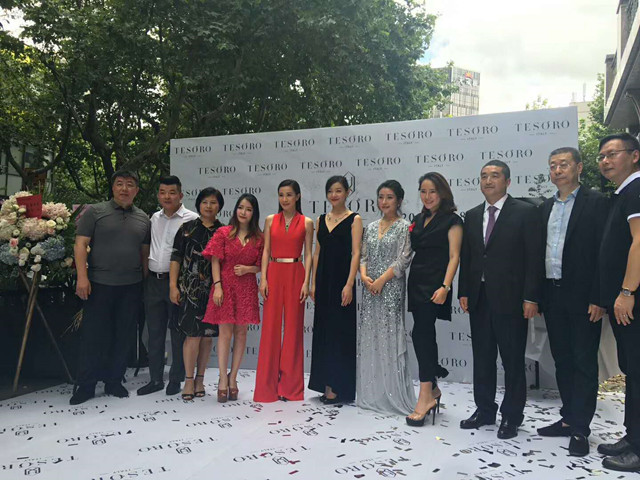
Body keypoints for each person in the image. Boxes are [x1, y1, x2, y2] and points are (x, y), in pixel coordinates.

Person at [458, 160, 542, 439]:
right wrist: (464, 291)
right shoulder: (472, 215)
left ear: (507, 181)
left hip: (512, 300)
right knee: (482, 358)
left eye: (494, 176)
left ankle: (511, 416)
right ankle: (484, 410)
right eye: (484, 176)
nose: (488, 180)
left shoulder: (526, 212)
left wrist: (531, 297)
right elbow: (468, 257)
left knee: (512, 360)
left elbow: (534, 258)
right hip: (479, 298)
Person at [536, 148, 608, 456]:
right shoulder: (545, 208)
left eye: (563, 164)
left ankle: (580, 428)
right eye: (553, 165)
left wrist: (599, 297)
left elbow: (604, 252)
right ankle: (568, 417)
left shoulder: (597, 203)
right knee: (562, 360)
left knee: (583, 362)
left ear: (578, 167)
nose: (557, 170)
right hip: (552, 294)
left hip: (584, 297)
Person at [70, 170, 151, 405]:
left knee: (123, 336)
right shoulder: (95, 212)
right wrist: (82, 278)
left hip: (131, 286)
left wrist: (144, 284)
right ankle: (86, 385)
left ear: (136, 190)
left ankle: (114, 381)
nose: (124, 189)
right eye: (120, 184)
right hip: (99, 285)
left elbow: (144, 253)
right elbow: (80, 244)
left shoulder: (143, 218)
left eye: (130, 184)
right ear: (113, 187)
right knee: (94, 336)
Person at [596, 133, 640, 472]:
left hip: (632, 300)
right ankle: (633, 436)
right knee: (633, 371)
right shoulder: (624, 193)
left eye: (613, 154)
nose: (605, 161)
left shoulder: (636, 190)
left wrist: (627, 291)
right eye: (602, 156)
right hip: (625, 300)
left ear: (635, 156)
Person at [406, 172, 462, 426]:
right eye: (423, 191)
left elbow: (454, 256)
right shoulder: (418, 219)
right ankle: (433, 387)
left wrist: (445, 287)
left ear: (442, 193)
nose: (427, 197)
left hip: (435, 284)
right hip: (416, 281)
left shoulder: (453, 220)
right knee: (422, 334)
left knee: (422, 334)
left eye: (433, 192)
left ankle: (425, 395)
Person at [357, 180, 416, 415]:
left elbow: (403, 259)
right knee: (371, 336)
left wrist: (382, 280)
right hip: (370, 289)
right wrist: (364, 276)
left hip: (391, 288)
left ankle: (393, 392)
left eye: (389, 197)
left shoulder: (405, 227)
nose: (384, 202)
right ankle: (373, 392)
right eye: (381, 197)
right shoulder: (371, 227)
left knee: (390, 336)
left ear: (399, 200)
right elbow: (363, 256)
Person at [137, 176, 199, 397]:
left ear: (180, 195)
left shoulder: (192, 219)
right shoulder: (154, 218)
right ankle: (155, 379)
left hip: (177, 285)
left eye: (172, 192)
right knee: (154, 333)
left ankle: (176, 378)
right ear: (158, 195)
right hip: (153, 282)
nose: (167, 197)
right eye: (163, 192)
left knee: (177, 334)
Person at [254, 180, 314, 402]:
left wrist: (306, 282)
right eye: (281, 195)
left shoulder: (307, 222)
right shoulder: (271, 220)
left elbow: (309, 254)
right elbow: (266, 250)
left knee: (293, 330)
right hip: (274, 272)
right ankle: (266, 388)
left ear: (298, 196)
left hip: (296, 273)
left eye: (289, 194)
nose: (285, 199)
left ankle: (290, 388)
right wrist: (263, 278)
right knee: (270, 329)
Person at [203, 194, 263, 403]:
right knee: (225, 333)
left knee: (241, 333)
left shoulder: (259, 238)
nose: (243, 212)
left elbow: (263, 265)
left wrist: (248, 269)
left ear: (254, 213)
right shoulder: (223, 232)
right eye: (240, 207)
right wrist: (218, 286)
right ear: (235, 209)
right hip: (225, 286)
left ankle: (233, 377)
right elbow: (215, 260)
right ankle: (222, 377)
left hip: (246, 288)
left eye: (248, 209)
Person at [309, 176, 362, 404]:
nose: (334, 195)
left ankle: (339, 387)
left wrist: (349, 284)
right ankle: (325, 384)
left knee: (340, 334)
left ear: (347, 192)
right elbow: (317, 253)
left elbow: (356, 253)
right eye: (330, 191)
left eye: (338, 190)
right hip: (323, 281)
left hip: (342, 282)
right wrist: (313, 283)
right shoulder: (321, 220)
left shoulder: (354, 219)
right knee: (324, 333)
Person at [169, 187, 223, 400]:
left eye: (213, 202)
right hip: (189, 290)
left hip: (214, 291)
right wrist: (173, 286)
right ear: (199, 204)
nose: (209, 206)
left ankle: (201, 379)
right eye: (205, 202)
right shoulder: (187, 228)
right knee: (192, 336)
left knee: (207, 337)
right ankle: (189, 380)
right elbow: (176, 258)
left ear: (219, 206)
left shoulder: (224, 231)